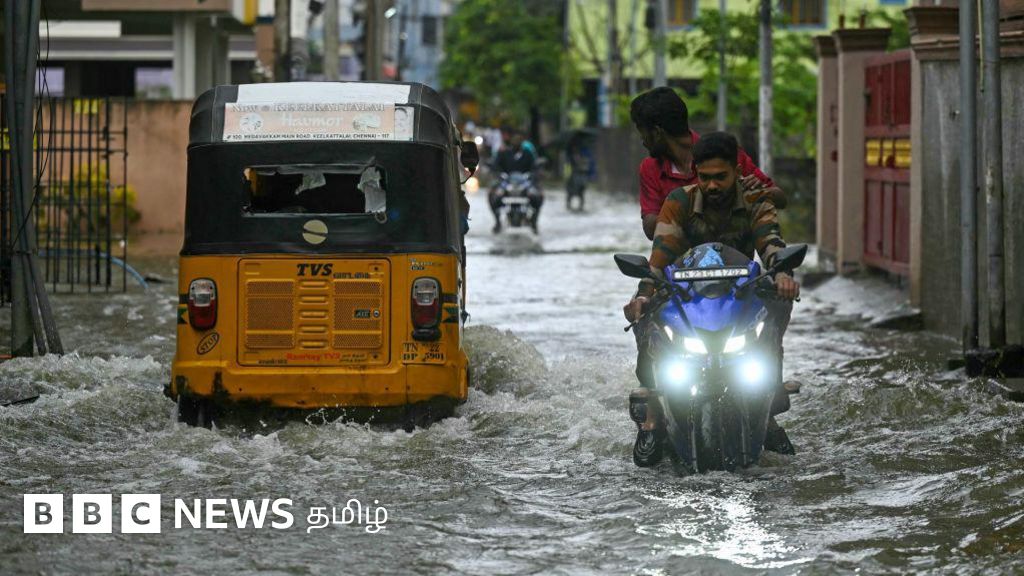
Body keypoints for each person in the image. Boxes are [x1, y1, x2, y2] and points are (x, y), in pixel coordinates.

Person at [623, 132, 800, 458]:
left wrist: (784, 274)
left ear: (736, 171)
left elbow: (771, 243)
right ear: (696, 173)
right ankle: (650, 413)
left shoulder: (755, 199)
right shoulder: (679, 200)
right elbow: (660, 256)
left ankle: (769, 402)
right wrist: (643, 294)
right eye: (705, 178)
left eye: (720, 177)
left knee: (777, 303)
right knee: (644, 315)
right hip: (685, 297)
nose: (712, 185)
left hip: (741, 296)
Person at [629, 87, 786, 241]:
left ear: (656, 133)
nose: (642, 140)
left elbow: (780, 199)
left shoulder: (724, 152)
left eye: (642, 132)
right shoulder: (649, 168)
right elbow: (651, 229)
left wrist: (758, 192)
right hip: (678, 263)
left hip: (734, 258)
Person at [488, 128, 544, 233]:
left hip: (525, 183)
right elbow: (495, 166)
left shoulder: (528, 154)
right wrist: (498, 174)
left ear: (522, 141)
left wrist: (534, 174)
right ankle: (497, 222)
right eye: (514, 139)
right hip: (506, 183)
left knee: (538, 195)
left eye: (519, 139)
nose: (516, 141)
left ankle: (534, 221)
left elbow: (534, 167)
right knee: (493, 195)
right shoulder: (503, 153)